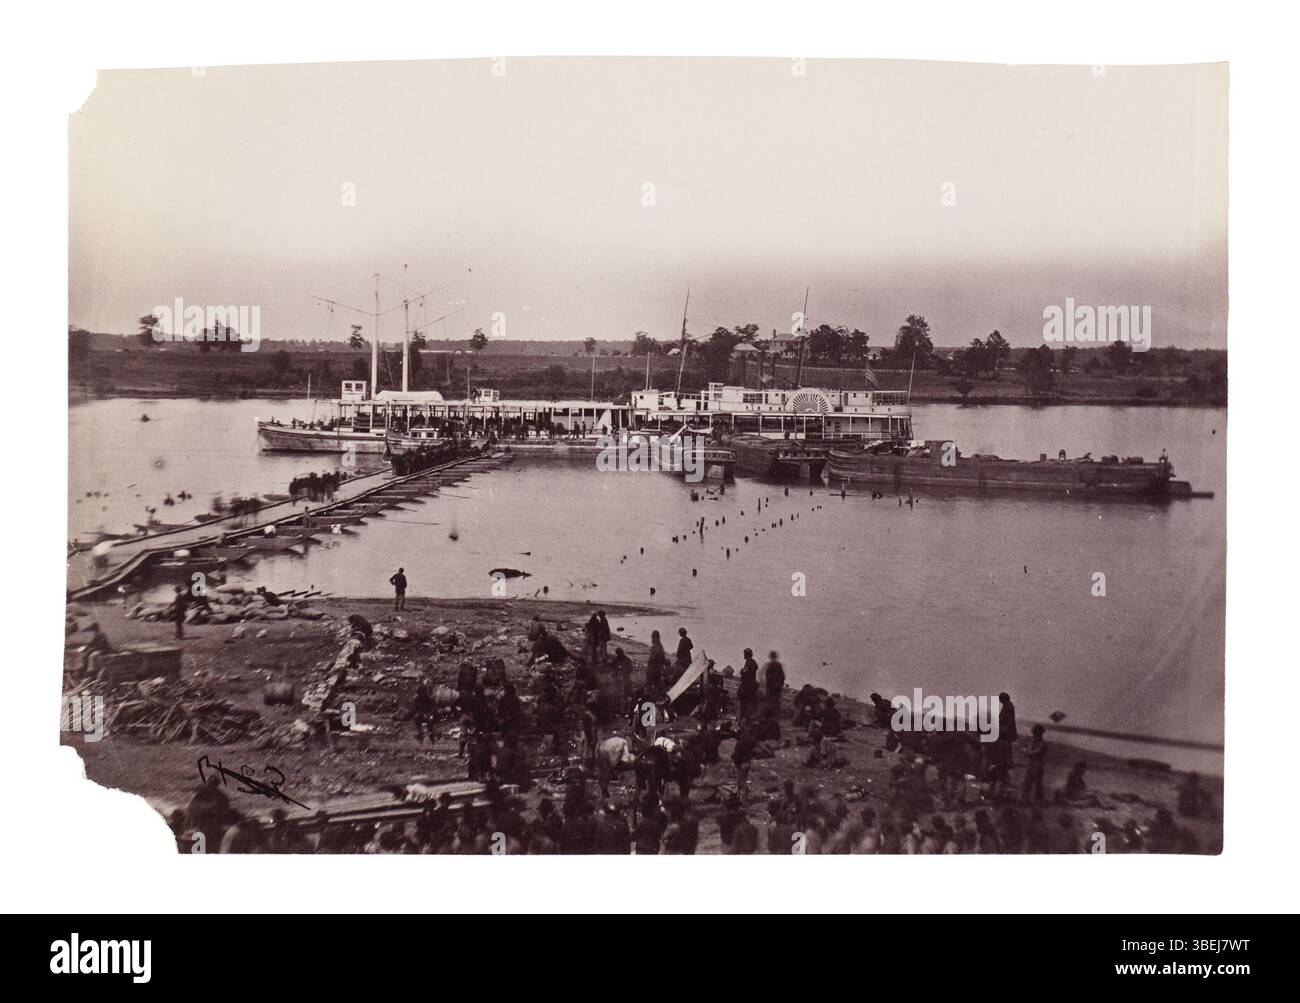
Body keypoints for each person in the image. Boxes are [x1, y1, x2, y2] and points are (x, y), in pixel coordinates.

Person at [1021, 723, 1048, 803]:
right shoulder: (1034, 742)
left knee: (1037, 785)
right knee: (1027, 783)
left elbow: (1032, 753)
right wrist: (1029, 752)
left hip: (1038, 765)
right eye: (1035, 733)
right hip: (1032, 765)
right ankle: (1026, 800)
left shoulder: (1043, 744)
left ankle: (1037, 801)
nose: (1034, 734)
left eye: (1036, 733)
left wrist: (1028, 752)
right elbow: (1031, 752)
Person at [737, 648, 759, 722]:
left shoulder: (750, 662)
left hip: (747, 686)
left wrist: (742, 671)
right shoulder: (751, 662)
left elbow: (746, 672)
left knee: (744, 702)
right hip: (750, 686)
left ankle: (744, 718)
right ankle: (746, 717)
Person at [762, 650, 785, 716]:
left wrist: (768, 685)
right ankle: (775, 715)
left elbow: (767, 675)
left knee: (770, 701)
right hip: (777, 687)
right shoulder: (778, 665)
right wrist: (780, 684)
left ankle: (770, 715)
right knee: (776, 702)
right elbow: (782, 676)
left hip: (771, 687)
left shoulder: (770, 665)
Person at [646, 630, 668, 695]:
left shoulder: (655, 647)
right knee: (656, 683)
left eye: (653, 637)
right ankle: (656, 693)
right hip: (657, 668)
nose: (652, 639)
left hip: (654, 668)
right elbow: (662, 658)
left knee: (652, 682)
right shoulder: (660, 646)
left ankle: (652, 693)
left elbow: (653, 658)